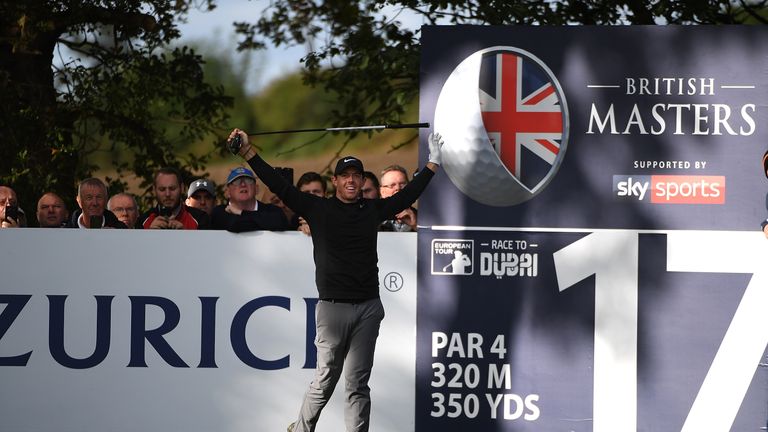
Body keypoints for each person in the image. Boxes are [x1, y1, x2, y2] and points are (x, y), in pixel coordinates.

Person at [226, 127, 443, 432]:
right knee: (325, 378)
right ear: (336, 181)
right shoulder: (319, 208)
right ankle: (301, 428)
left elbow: (408, 194)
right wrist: (248, 152)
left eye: (357, 175)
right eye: (346, 175)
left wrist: (432, 166)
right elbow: (279, 185)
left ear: (361, 181)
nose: (352, 180)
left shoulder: (373, 209)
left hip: (368, 307)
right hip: (332, 308)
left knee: (357, 383)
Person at [209, 166, 288, 232]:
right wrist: (263, 222)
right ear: (227, 192)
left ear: (256, 189)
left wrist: (240, 212)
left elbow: (279, 222)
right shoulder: (219, 212)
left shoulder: (272, 210)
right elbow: (236, 225)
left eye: (248, 180)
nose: (243, 184)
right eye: (237, 182)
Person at [138, 167, 210, 230]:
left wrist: (185, 235)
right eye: (162, 189)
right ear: (154, 190)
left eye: (172, 189)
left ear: (182, 188)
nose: (167, 194)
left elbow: (206, 245)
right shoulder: (143, 220)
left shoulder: (200, 218)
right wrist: (148, 234)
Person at [378, 165, 417, 232]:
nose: (398, 188)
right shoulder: (372, 217)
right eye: (392, 185)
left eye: (402, 184)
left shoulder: (423, 217)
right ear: (382, 191)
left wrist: (415, 226)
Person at [295, 171, 326, 235]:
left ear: (325, 194)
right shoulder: (293, 218)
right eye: (306, 193)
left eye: (316, 191)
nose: (311, 196)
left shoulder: (335, 214)